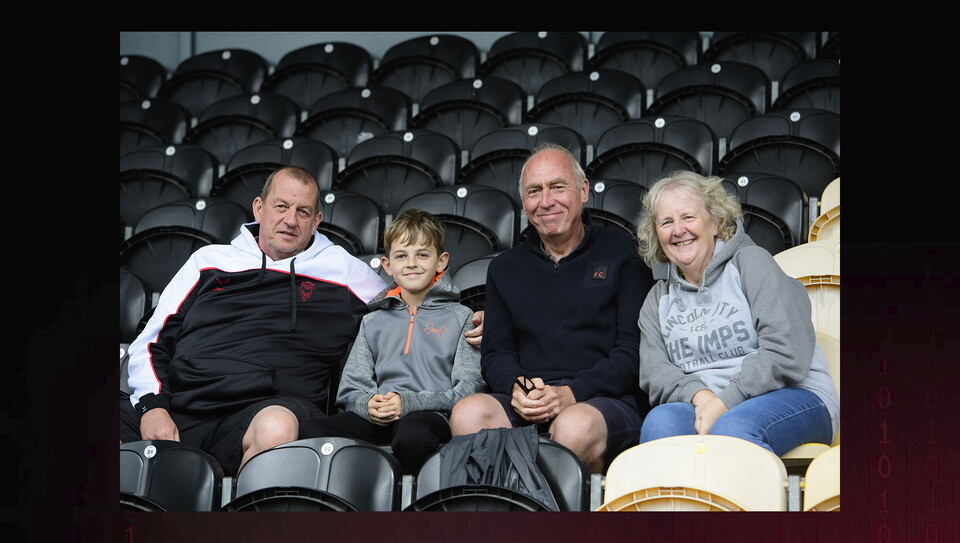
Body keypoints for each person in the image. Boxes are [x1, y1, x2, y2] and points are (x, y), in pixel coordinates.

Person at [119, 166, 389, 476]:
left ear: (316, 221)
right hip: (182, 403)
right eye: (281, 206)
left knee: (276, 426)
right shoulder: (208, 261)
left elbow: (409, 307)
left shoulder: (346, 272)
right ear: (259, 208)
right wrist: (153, 407)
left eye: (303, 212)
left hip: (266, 410)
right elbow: (151, 341)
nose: (290, 220)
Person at [449, 142, 655, 474]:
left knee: (573, 427)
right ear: (523, 202)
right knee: (467, 413)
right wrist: (518, 388)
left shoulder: (624, 254)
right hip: (529, 397)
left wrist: (571, 393)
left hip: (602, 401)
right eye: (534, 191)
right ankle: (498, 519)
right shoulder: (505, 267)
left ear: (583, 190)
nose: (546, 201)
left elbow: (632, 352)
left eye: (557, 187)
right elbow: (496, 352)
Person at [634, 170, 839, 455]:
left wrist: (726, 400)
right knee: (660, 424)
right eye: (666, 222)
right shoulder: (658, 299)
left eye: (688, 217)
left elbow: (787, 350)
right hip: (705, 404)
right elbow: (655, 372)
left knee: (733, 428)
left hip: (795, 396)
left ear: (716, 222)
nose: (678, 230)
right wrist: (702, 396)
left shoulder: (751, 263)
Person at [298, 209, 486, 474]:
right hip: (381, 415)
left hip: (431, 415)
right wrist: (368, 405)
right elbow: (350, 389)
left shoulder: (461, 317)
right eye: (401, 256)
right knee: (312, 430)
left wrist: (408, 403)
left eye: (422, 254)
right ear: (387, 265)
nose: (411, 263)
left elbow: (468, 390)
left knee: (413, 435)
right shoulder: (372, 321)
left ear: (441, 261)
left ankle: (412, 505)